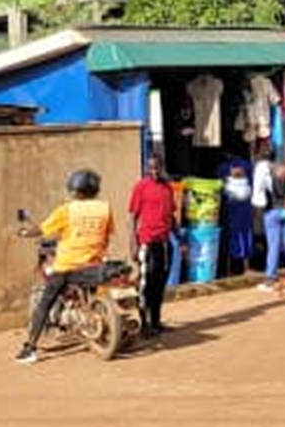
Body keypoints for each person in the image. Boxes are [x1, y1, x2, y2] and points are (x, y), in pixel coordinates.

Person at [15, 168, 114, 364]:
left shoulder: (67, 210)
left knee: (45, 303)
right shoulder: (105, 208)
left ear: (75, 191)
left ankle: (30, 348)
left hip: (68, 266)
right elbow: (107, 234)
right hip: (95, 264)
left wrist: (25, 233)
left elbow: (42, 229)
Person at [128, 152, 178, 337]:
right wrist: (133, 243)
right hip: (146, 242)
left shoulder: (167, 187)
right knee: (145, 284)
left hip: (164, 243)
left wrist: (179, 239)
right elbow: (132, 217)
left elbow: (171, 216)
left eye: (157, 167)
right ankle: (144, 325)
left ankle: (156, 321)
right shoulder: (141, 187)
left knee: (160, 284)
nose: (155, 171)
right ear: (147, 169)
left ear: (162, 166)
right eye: (151, 168)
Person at [255, 160, 285, 291]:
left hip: (273, 212)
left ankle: (270, 279)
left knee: (273, 246)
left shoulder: (268, 175)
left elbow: (259, 194)